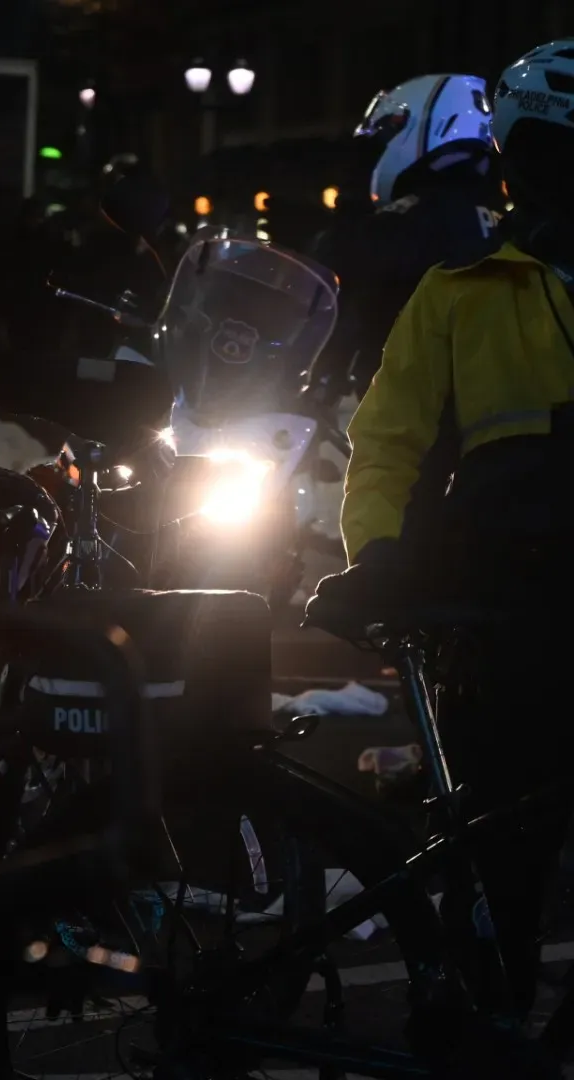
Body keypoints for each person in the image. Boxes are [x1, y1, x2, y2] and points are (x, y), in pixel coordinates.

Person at [320, 40, 574, 1020]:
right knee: (499, 858)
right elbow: (386, 444)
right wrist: (379, 558)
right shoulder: (459, 292)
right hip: (501, 620)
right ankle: (480, 1014)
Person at [311, 74, 505, 392]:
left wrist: (349, 212)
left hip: (406, 417)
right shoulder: (500, 221)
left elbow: (332, 271)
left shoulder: (409, 222)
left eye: (389, 132)